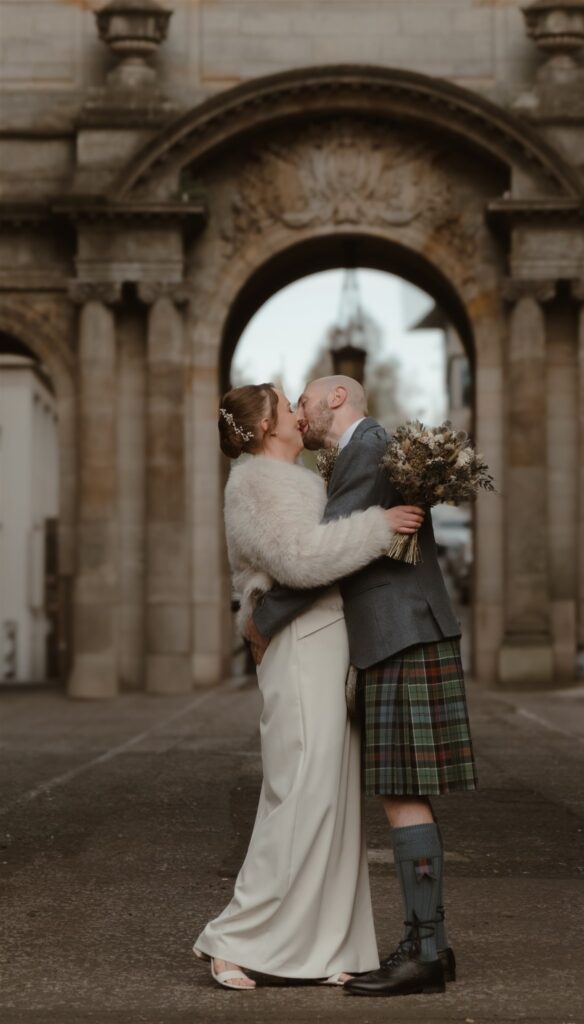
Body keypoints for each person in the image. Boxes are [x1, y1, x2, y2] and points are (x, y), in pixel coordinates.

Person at [246, 375, 477, 997]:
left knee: (402, 791)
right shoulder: (361, 451)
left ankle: (424, 952)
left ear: (337, 399)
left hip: (401, 633)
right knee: (402, 789)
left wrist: (261, 619)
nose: (299, 412)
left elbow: (324, 553)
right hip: (398, 633)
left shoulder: (366, 448)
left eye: (305, 402)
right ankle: (432, 945)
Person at [192, 382, 424, 990]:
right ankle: (232, 941)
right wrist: (380, 527)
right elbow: (300, 560)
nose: (298, 413)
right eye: (285, 405)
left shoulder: (292, 478)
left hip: (323, 640)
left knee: (333, 798)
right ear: (268, 426)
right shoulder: (255, 483)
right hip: (299, 645)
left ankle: (324, 948)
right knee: (298, 793)